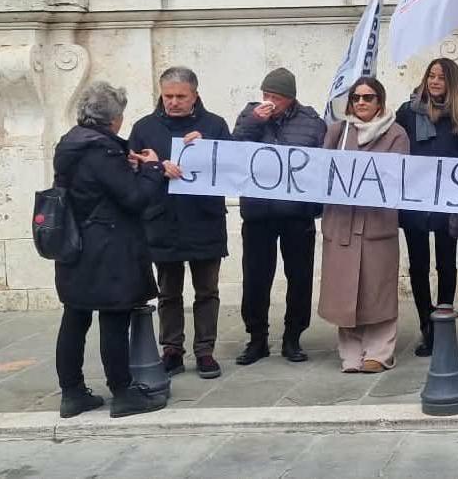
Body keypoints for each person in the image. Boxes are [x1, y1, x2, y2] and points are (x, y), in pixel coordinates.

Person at [52, 81, 168, 418]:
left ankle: (72, 393)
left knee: (75, 316)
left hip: (75, 245)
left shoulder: (70, 143)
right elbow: (133, 198)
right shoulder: (102, 150)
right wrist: (152, 169)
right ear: (113, 119)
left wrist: (127, 166)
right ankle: (123, 392)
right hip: (107, 248)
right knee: (114, 318)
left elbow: (94, 188)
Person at [128, 67, 231, 380]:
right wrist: (157, 167)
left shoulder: (214, 125)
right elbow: (131, 168)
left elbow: (232, 167)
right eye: (167, 95)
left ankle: (205, 351)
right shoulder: (144, 127)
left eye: (180, 96)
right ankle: (172, 349)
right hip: (162, 220)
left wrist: (208, 147)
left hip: (204, 219)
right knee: (168, 291)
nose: (173, 102)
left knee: (207, 290)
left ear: (195, 95)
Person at [232, 67, 327, 365]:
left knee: (299, 277)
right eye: (265, 95)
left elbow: (321, 167)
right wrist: (254, 122)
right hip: (259, 212)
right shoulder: (250, 118)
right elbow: (233, 151)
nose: (269, 100)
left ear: (290, 99)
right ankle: (256, 338)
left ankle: (293, 337)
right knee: (256, 277)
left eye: (275, 97)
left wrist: (314, 207)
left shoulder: (312, 124)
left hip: (296, 214)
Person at [319, 77, 410, 373]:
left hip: (376, 223)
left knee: (377, 289)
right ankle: (350, 351)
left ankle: (380, 352)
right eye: (356, 97)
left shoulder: (396, 133)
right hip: (343, 222)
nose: (360, 102)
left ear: (379, 102)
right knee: (345, 290)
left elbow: (398, 175)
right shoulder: (338, 131)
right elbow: (322, 170)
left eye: (368, 97)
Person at [395, 58, 458, 356]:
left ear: (451, 82)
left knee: (445, 264)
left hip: (447, 201)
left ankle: (443, 323)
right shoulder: (407, 112)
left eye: (441, 77)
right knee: (418, 265)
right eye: (431, 76)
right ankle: (426, 326)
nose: (434, 81)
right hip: (415, 201)